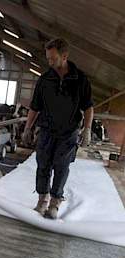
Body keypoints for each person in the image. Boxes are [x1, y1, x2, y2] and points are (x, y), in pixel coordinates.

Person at [23, 38, 94, 219]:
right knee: (43, 165)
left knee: (61, 167)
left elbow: (88, 107)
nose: (50, 62)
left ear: (65, 56)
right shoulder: (45, 79)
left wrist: (86, 129)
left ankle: (54, 203)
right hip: (46, 130)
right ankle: (42, 200)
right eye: (48, 58)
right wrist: (27, 128)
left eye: (53, 58)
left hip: (68, 132)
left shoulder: (80, 79)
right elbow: (35, 106)